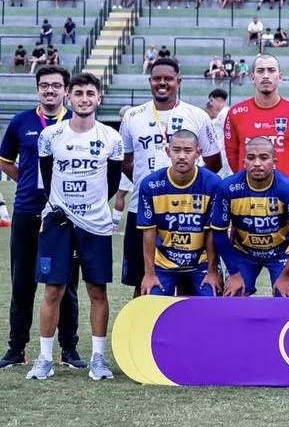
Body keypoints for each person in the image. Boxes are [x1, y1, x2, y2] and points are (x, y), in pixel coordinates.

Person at [25, 73, 122, 381]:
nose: (84, 98)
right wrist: (63, 207)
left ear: (99, 98)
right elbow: (47, 177)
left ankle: (97, 359)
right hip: (58, 224)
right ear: (68, 97)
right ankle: (44, 358)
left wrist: (91, 207)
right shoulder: (50, 135)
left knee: (97, 290)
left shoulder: (111, 138)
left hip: (95, 225)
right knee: (53, 289)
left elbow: (113, 182)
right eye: (78, 93)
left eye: (90, 93)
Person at [0, 66, 83, 369]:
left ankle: (69, 349)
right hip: (27, 211)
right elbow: (5, 161)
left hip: (65, 215)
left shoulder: (77, 123)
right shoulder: (20, 122)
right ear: (37, 89)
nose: (50, 90)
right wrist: (27, 180)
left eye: (56, 86)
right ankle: (16, 349)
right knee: (22, 283)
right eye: (45, 85)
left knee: (66, 284)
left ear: (66, 91)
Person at [119, 57, 222, 297]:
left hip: (188, 210)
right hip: (141, 208)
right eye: (157, 78)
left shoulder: (197, 115)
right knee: (142, 282)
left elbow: (213, 162)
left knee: (188, 280)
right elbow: (126, 161)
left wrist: (186, 187)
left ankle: (185, 324)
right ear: (150, 81)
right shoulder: (133, 116)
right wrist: (149, 186)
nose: (162, 83)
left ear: (179, 81)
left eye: (168, 78)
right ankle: (145, 322)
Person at [211, 136, 289, 297]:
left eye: (263, 158)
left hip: (281, 252)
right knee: (234, 295)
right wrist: (234, 272)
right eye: (251, 158)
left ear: (274, 162)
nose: (257, 163)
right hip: (243, 252)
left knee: (285, 298)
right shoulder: (228, 188)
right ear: (244, 162)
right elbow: (218, 232)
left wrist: (286, 276)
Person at [136, 129, 224, 298]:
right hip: (164, 263)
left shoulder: (213, 184)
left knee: (212, 302)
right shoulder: (151, 185)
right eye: (176, 150)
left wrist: (212, 271)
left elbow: (212, 232)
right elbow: (149, 231)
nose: (182, 156)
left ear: (198, 153)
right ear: (167, 151)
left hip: (201, 263)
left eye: (188, 151)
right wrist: (149, 273)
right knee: (152, 302)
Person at [223, 54, 289, 184]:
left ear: (280, 77)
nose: (266, 76)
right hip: (247, 192)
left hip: (283, 193)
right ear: (252, 77)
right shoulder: (235, 113)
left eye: (271, 70)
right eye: (260, 71)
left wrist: (288, 183)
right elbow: (232, 154)